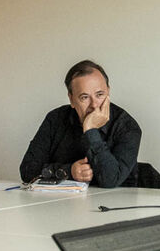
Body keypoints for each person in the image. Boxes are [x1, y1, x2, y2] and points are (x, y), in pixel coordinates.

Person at [19, 60, 141, 188]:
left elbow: (111, 180)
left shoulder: (127, 126)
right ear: (71, 99)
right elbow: (27, 171)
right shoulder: (55, 119)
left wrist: (91, 131)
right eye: (84, 97)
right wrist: (68, 171)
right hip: (61, 199)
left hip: (117, 198)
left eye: (100, 95)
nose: (94, 105)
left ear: (108, 92)